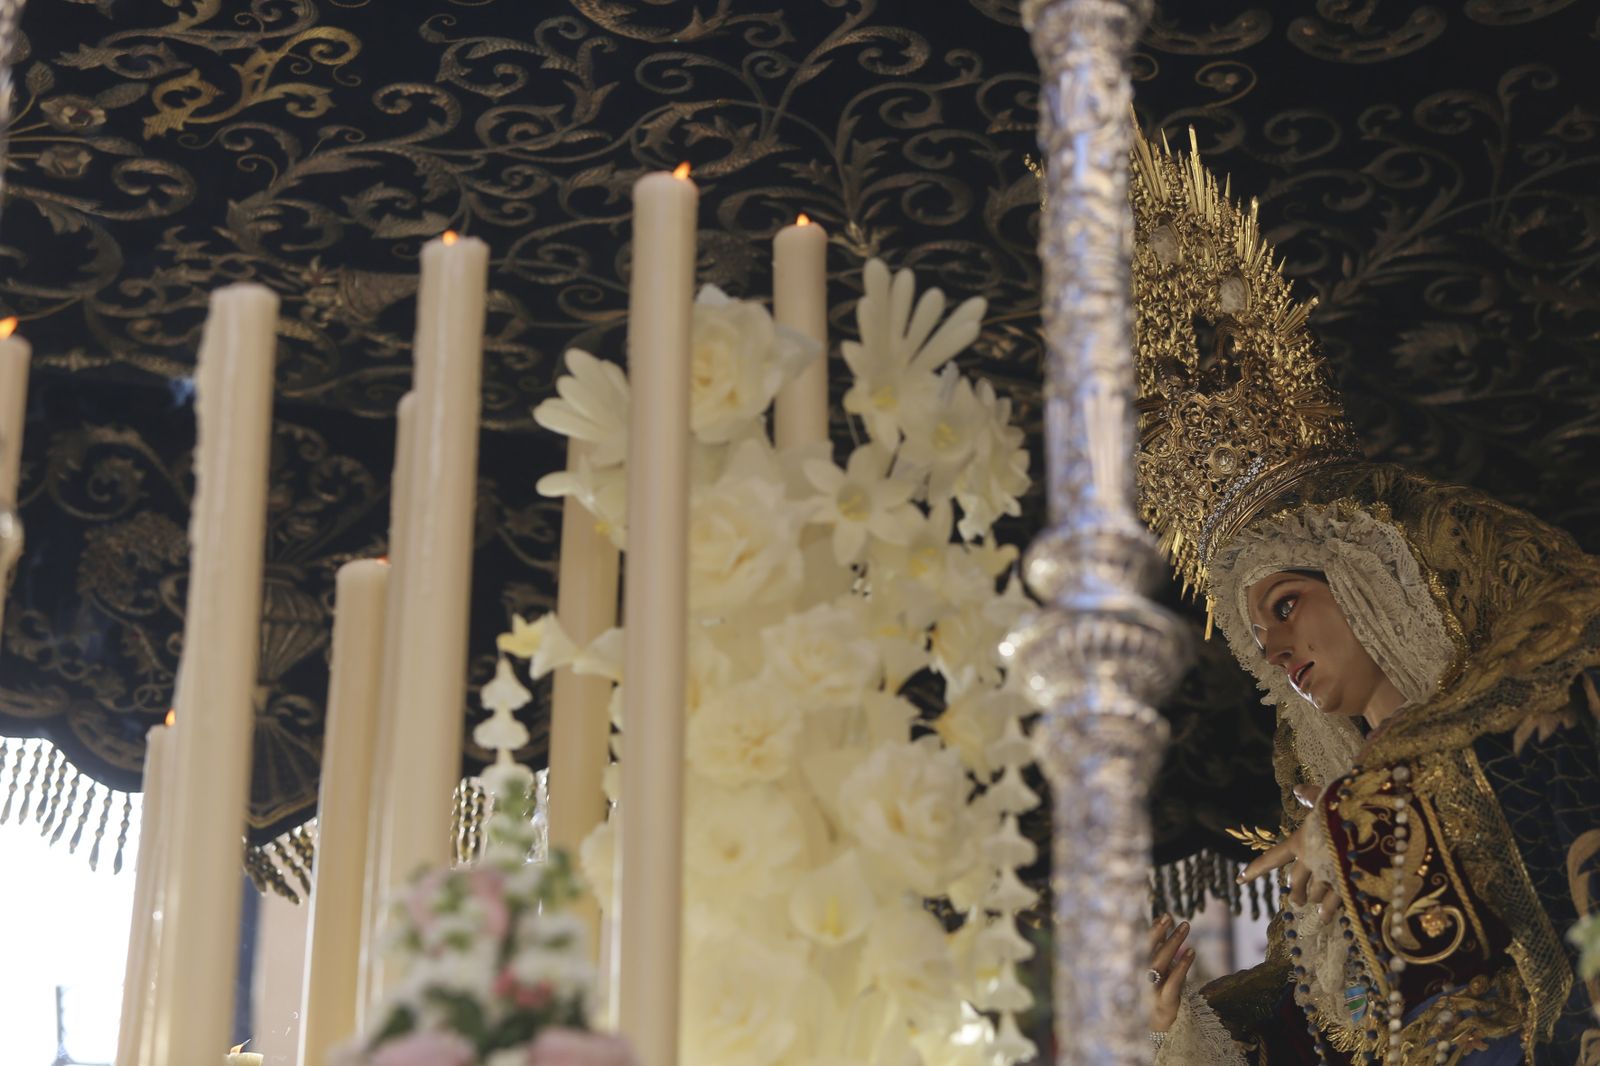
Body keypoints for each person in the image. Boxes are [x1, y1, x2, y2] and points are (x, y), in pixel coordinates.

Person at [1129, 128, 1600, 1064]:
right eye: (1252, 631)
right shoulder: (1328, 825)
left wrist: (1362, 813)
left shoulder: (1540, 727)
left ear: (1367, 577)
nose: (1270, 647)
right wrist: (1178, 1023)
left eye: (1287, 603)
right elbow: (1331, 1026)